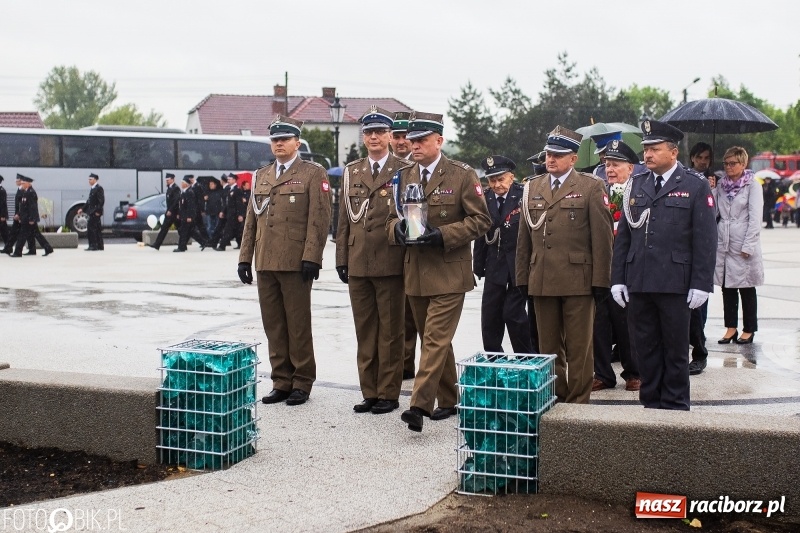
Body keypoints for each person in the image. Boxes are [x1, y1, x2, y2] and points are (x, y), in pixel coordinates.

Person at [386, 111, 491, 432]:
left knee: (432, 340)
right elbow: (393, 216)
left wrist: (443, 235)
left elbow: (481, 221)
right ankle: (449, 399)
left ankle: (419, 405)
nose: (414, 145)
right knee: (437, 340)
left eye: (421, 140)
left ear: (439, 141)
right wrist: (398, 231)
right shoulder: (405, 175)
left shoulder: (461, 175)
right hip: (415, 272)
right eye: (412, 140)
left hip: (449, 272)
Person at [611, 120, 716, 411]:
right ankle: (652, 404)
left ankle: (675, 405)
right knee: (645, 348)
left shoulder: (694, 186)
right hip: (640, 281)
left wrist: (701, 283)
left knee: (676, 350)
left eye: (654, 149)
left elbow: (706, 240)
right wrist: (618, 278)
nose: (647, 155)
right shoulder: (637, 185)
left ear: (673, 152)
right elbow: (624, 237)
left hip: (675, 283)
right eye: (645, 149)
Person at [238, 115, 332, 407]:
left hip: (295, 262)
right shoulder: (262, 174)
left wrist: (312, 258)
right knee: (274, 325)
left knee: (298, 324)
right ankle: (281, 380)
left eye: (285, 139)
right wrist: (244, 258)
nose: (279, 144)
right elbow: (252, 220)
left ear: (297, 142)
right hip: (265, 261)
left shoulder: (313, 173)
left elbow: (319, 220)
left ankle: (302, 381)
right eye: (275, 139)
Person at [516, 125, 613, 404]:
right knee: (548, 348)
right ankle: (556, 397)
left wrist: (601, 281)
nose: (551, 160)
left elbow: (602, 239)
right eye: (548, 154)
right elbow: (524, 239)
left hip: (578, 281)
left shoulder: (591, 187)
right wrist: (522, 277)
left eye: (558, 155)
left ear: (573, 158)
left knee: (579, 347)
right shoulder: (532, 187)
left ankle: (579, 402)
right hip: (542, 279)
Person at [335, 107, 412, 415]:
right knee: (364, 330)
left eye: (380, 132)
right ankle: (369, 391)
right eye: (369, 133)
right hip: (358, 261)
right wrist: (342, 258)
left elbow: (411, 217)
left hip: (391, 261)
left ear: (390, 136)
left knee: (391, 332)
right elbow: (343, 219)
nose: (375, 137)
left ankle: (388, 392)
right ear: (363, 137)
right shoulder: (353, 170)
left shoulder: (404, 169)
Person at [590, 140, 640, 392]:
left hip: (626, 270)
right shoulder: (598, 192)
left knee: (626, 324)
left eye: (616, 164)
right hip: (600, 268)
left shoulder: (639, 192)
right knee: (599, 324)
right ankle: (603, 373)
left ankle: (634, 372)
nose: (610, 169)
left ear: (630, 168)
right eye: (607, 164)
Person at [473, 155, 533, 354]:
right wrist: (478, 266)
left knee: (513, 313)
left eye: (501, 179)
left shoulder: (523, 195)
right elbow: (481, 234)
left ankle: (526, 358)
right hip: (494, 264)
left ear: (511, 177)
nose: (497, 184)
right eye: (492, 180)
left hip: (518, 265)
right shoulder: (484, 199)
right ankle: (494, 359)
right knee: (490, 315)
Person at [714, 146, 764, 345]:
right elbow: (714, 210)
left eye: (732, 163)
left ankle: (749, 328)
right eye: (725, 163)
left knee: (746, 287)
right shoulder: (721, 185)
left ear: (743, 163)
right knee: (728, 288)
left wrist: (748, 246)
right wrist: (711, 187)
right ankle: (730, 327)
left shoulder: (753, 185)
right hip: (724, 243)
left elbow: (755, 218)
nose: (728, 167)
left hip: (743, 242)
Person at [390, 111, 419, 379]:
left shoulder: (417, 168)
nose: (401, 142)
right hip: (389, 250)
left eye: (405, 137)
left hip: (415, 250)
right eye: (396, 136)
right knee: (395, 315)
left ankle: (406, 364)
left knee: (411, 314)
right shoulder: (385, 166)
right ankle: (400, 363)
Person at [687, 142, 714, 375]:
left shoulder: (711, 181)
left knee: (697, 310)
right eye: (699, 157)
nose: (703, 161)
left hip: (695, 254)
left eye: (707, 157)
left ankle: (700, 352)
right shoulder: (685, 178)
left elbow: (710, 221)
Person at [10, 175, 54, 257]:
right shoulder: (25, 192)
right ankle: (47, 248)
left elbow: (32, 207)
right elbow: (23, 207)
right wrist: (19, 215)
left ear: (28, 184)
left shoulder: (31, 193)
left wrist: (32, 219)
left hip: (29, 219)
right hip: (26, 218)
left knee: (22, 235)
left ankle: (17, 252)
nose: (21, 185)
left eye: (23, 183)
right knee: (36, 234)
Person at [2, 175, 35, 255]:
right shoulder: (21, 190)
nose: (16, 182)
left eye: (18, 181)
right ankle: (9, 248)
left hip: (22, 216)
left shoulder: (25, 191)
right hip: (21, 216)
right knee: (18, 233)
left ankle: (16, 250)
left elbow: (25, 205)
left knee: (25, 234)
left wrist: (19, 214)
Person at [174, 175, 206, 252]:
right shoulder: (184, 192)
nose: (181, 184)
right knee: (191, 231)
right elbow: (181, 205)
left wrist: (190, 216)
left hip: (188, 216)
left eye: (182, 183)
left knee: (184, 231)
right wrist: (179, 214)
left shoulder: (190, 192)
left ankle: (181, 247)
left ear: (186, 184)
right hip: (184, 215)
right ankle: (203, 242)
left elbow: (191, 206)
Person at [149, 173, 180, 250]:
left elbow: (176, 201)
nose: (167, 181)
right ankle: (157, 244)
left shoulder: (176, 188)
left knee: (182, 229)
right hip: (170, 213)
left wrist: (170, 210)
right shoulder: (169, 188)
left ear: (173, 179)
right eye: (166, 180)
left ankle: (184, 244)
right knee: (164, 228)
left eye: (168, 180)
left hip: (174, 213)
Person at [216, 175, 245, 251]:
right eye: (228, 179)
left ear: (234, 180)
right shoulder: (230, 189)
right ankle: (241, 244)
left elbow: (239, 204)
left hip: (234, 214)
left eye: (230, 179)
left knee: (227, 230)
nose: (228, 180)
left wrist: (240, 214)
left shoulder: (237, 190)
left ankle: (222, 246)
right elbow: (227, 203)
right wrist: (223, 211)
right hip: (230, 213)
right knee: (237, 230)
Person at [78, 173, 105, 251]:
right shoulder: (93, 188)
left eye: (90, 179)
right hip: (92, 211)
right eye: (89, 179)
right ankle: (99, 245)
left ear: (95, 180)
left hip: (95, 212)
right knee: (97, 229)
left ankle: (93, 245)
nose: (89, 181)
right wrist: (82, 209)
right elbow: (89, 201)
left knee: (91, 229)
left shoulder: (99, 188)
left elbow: (101, 201)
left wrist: (98, 211)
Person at [0, 175, 8, 248]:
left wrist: (3, 216)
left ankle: (8, 247)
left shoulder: (2, 191)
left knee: (4, 232)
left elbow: (3, 204)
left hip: (1, 216)